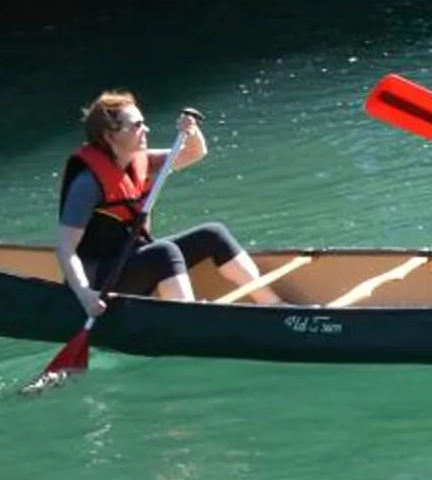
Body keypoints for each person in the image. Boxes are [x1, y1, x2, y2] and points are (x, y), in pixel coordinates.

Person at [56, 91, 285, 318]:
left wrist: (191, 132)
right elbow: (66, 249)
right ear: (109, 136)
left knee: (213, 234)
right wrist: (86, 295)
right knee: (163, 252)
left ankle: (275, 306)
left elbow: (194, 153)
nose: (146, 129)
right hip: (100, 279)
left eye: (143, 123)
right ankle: (187, 320)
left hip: (133, 259)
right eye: (136, 126)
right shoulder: (87, 184)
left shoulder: (141, 160)